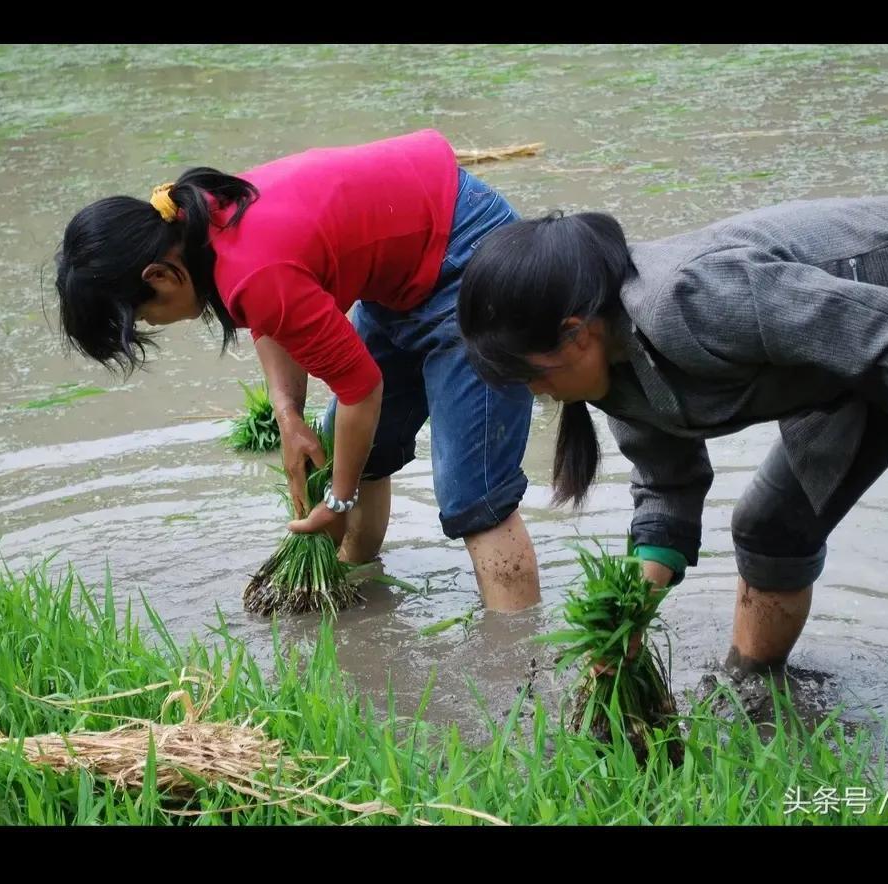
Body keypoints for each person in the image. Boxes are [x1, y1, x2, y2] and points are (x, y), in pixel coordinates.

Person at [456, 196, 888, 759]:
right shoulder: (615, 376)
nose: (537, 393)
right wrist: (628, 626)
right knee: (771, 530)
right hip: (853, 363)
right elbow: (668, 489)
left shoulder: (690, 298)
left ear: (577, 330)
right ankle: (754, 697)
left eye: (533, 375)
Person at [54, 129, 540, 612]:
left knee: (473, 492)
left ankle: (516, 663)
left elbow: (360, 388)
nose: (154, 323)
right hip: (405, 262)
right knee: (353, 446)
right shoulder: (198, 222)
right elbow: (270, 315)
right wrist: (288, 413)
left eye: (144, 316)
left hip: (470, 254)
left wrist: (340, 499)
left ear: (159, 276)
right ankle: (354, 587)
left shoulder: (251, 263)